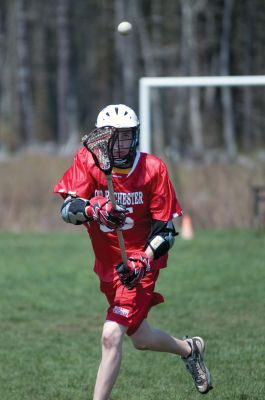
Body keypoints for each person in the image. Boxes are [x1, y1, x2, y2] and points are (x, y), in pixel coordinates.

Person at [53, 104, 213, 399]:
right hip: (107, 263)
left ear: (135, 136)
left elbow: (166, 231)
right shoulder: (88, 162)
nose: (118, 144)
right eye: (112, 137)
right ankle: (191, 350)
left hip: (139, 265)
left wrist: (143, 260)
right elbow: (67, 209)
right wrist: (93, 209)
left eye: (125, 136)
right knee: (139, 337)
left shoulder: (153, 169)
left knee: (111, 334)